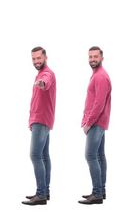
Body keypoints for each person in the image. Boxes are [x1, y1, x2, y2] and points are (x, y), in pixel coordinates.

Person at [22, 47, 56, 206]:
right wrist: (31, 120)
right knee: (43, 156)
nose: (36, 61)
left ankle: (41, 194)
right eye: (34, 59)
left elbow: (46, 81)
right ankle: (45, 192)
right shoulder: (39, 74)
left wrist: (42, 83)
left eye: (39, 58)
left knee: (35, 155)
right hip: (40, 120)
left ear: (45, 58)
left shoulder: (46, 74)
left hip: (41, 121)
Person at [78, 46, 112, 205]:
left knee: (90, 156)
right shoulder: (97, 75)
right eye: (90, 56)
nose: (92, 59)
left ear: (102, 58)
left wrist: (88, 123)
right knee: (99, 156)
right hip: (99, 122)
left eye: (95, 56)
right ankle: (100, 190)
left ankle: (97, 193)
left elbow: (98, 104)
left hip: (96, 122)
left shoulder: (100, 77)